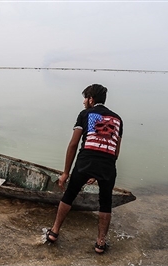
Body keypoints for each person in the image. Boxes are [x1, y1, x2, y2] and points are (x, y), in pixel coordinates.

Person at [45, 84, 123, 254]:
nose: (83, 102)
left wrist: (66, 172)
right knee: (105, 202)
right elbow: (115, 151)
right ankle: (100, 243)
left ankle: (54, 232)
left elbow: (73, 144)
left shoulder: (85, 115)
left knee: (69, 195)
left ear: (91, 99)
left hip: (85, 162)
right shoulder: (118, 119)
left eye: (85, 98)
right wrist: (99, 171)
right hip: (107, 165)